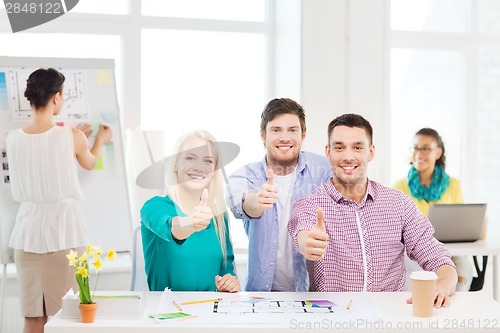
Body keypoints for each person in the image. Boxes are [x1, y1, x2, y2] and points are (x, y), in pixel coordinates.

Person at [289, 113, 457, 308]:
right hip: (332, 320)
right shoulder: (309, 204)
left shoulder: (398, 203)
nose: (348, 156)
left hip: (390, 319)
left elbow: (438, 259)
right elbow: (302, 233)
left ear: (371, 152)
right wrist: (308, 243)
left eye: (358, 147)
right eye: (339, 147)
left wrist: (443, 285)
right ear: (328, 152)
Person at [6, 68, 112, 333]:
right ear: (56, 98)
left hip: (26, 239)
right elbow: (90, 162)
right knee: (66, 319)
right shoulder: (72, 137)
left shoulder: (11, 138)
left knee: (32, 318)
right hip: (64, 235)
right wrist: (98, 140)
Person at [227, 98, 331, 292]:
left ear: (303, 134)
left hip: (312, 295)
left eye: (292, 130)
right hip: (260, 296)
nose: (285, 137)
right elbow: (238, 203)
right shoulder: (244, 175)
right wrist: (256, 202)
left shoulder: (323, 170)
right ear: (262, 136)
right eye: (276, 130)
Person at [140, 130, 239, 292]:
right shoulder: (153, 207)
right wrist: (191, 223)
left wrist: (229, 282)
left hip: (211, 312)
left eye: (207, 161)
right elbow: (171, 228)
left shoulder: (219, 217)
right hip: (168, 313)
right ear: (175, 164)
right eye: (190, 158)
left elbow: (225, 270)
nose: (199, 167)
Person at [393, 128, 473, 291]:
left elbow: (460, 223)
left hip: (450, 250)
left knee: (463, 273)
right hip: (413, 255)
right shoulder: (399, 187)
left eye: (426, 148)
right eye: (416, 147)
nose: (419, 153)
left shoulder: (454, 185)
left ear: (438, 153)